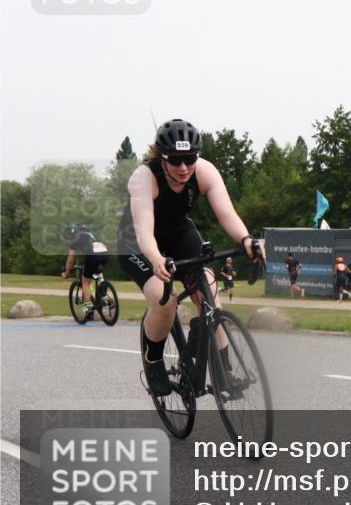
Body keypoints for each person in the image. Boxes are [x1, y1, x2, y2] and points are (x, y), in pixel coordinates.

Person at [118, 119, 265, 397]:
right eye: (175, 160)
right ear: (161, 157)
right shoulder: (143, 178)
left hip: (178, 234)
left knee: (209, 290)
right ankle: (153, 361)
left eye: (190, 158)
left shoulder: (205, 171)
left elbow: (227, 214)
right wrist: (156, 258)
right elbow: (144, 231)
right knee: (165, 300)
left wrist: (246, 239)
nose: (184, 167)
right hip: (137, 243)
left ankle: (223, 370)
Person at [61, 223, 109, 320]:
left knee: (85, 282)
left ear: (74, 232)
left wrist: (66, 273)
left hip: (92, 256)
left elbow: (70, 259)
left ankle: (88, 307)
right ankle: (103, 294)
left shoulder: (76, 239)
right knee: (97, 271)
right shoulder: (94, 235)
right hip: (105, 254)